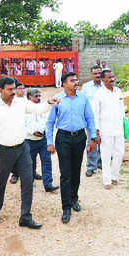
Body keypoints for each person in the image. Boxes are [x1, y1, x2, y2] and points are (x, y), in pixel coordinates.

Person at [0, 77, 59, 229]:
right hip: (3, 151)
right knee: (0, 183)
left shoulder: (20, 103)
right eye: (9, 89)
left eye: (14, 88)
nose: (13, 92)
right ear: (1, 90)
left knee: (28, 181)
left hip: (22, 148)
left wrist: (49, 103)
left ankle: (25, 216)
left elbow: (37, 109)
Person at [46, 72, 96, 224]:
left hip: (80, 137)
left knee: (75, 171)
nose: (76, 82)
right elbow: (49, 123)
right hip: (63, 139)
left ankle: (74, 198)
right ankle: (66, 207)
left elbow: (90, 118)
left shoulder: (83, 98)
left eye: (76, 80)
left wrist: (92, 137)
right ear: (64, 84)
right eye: (72, 80)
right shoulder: (58, 99)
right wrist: (50, 142)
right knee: (65, 173)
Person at [92, 70, 125, 190]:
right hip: (105, 130)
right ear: (103, 80)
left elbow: (122, 110)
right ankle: (107, 180)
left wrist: (125, 125)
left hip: (119, 129)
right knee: (106, 156)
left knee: (119, 153)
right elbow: (94, 114)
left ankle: (115, 176)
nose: (112, 79)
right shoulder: (99, 94)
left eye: (113, 76)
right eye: (109, 77)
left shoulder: (118, 91)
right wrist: (97, 132)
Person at [25, 88, 59, 192]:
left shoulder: (45, 108)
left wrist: (47, 134)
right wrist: (32, 132)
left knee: (47, 161)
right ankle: (29, 183)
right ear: (29, 97)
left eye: (40, 96)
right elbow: (21, 125)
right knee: (30, 163)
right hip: (29, 140)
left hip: (43, 140)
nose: (39, 98)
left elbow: (49, 123)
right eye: (36, 96)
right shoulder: (25, 109)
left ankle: (48, 184)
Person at [81, 65, 103, 177]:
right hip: (91, 120)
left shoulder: (106, 86)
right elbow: (83, 103)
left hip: (104, 119)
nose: (98, 75)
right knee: (92, 142)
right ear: (92, 75)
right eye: (95, 73)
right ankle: (91, 166)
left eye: (99, 73)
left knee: (104, 142)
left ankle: (100, 162)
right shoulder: (86, 87)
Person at [9, 82, 27, 184]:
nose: (22, 90)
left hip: (27, 130)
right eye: (19, 88)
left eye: (23, 88)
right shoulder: (12, 101)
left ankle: (31, 171)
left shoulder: (27, 100)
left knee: (29, 153)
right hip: (15, 130)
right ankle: (15, 173)